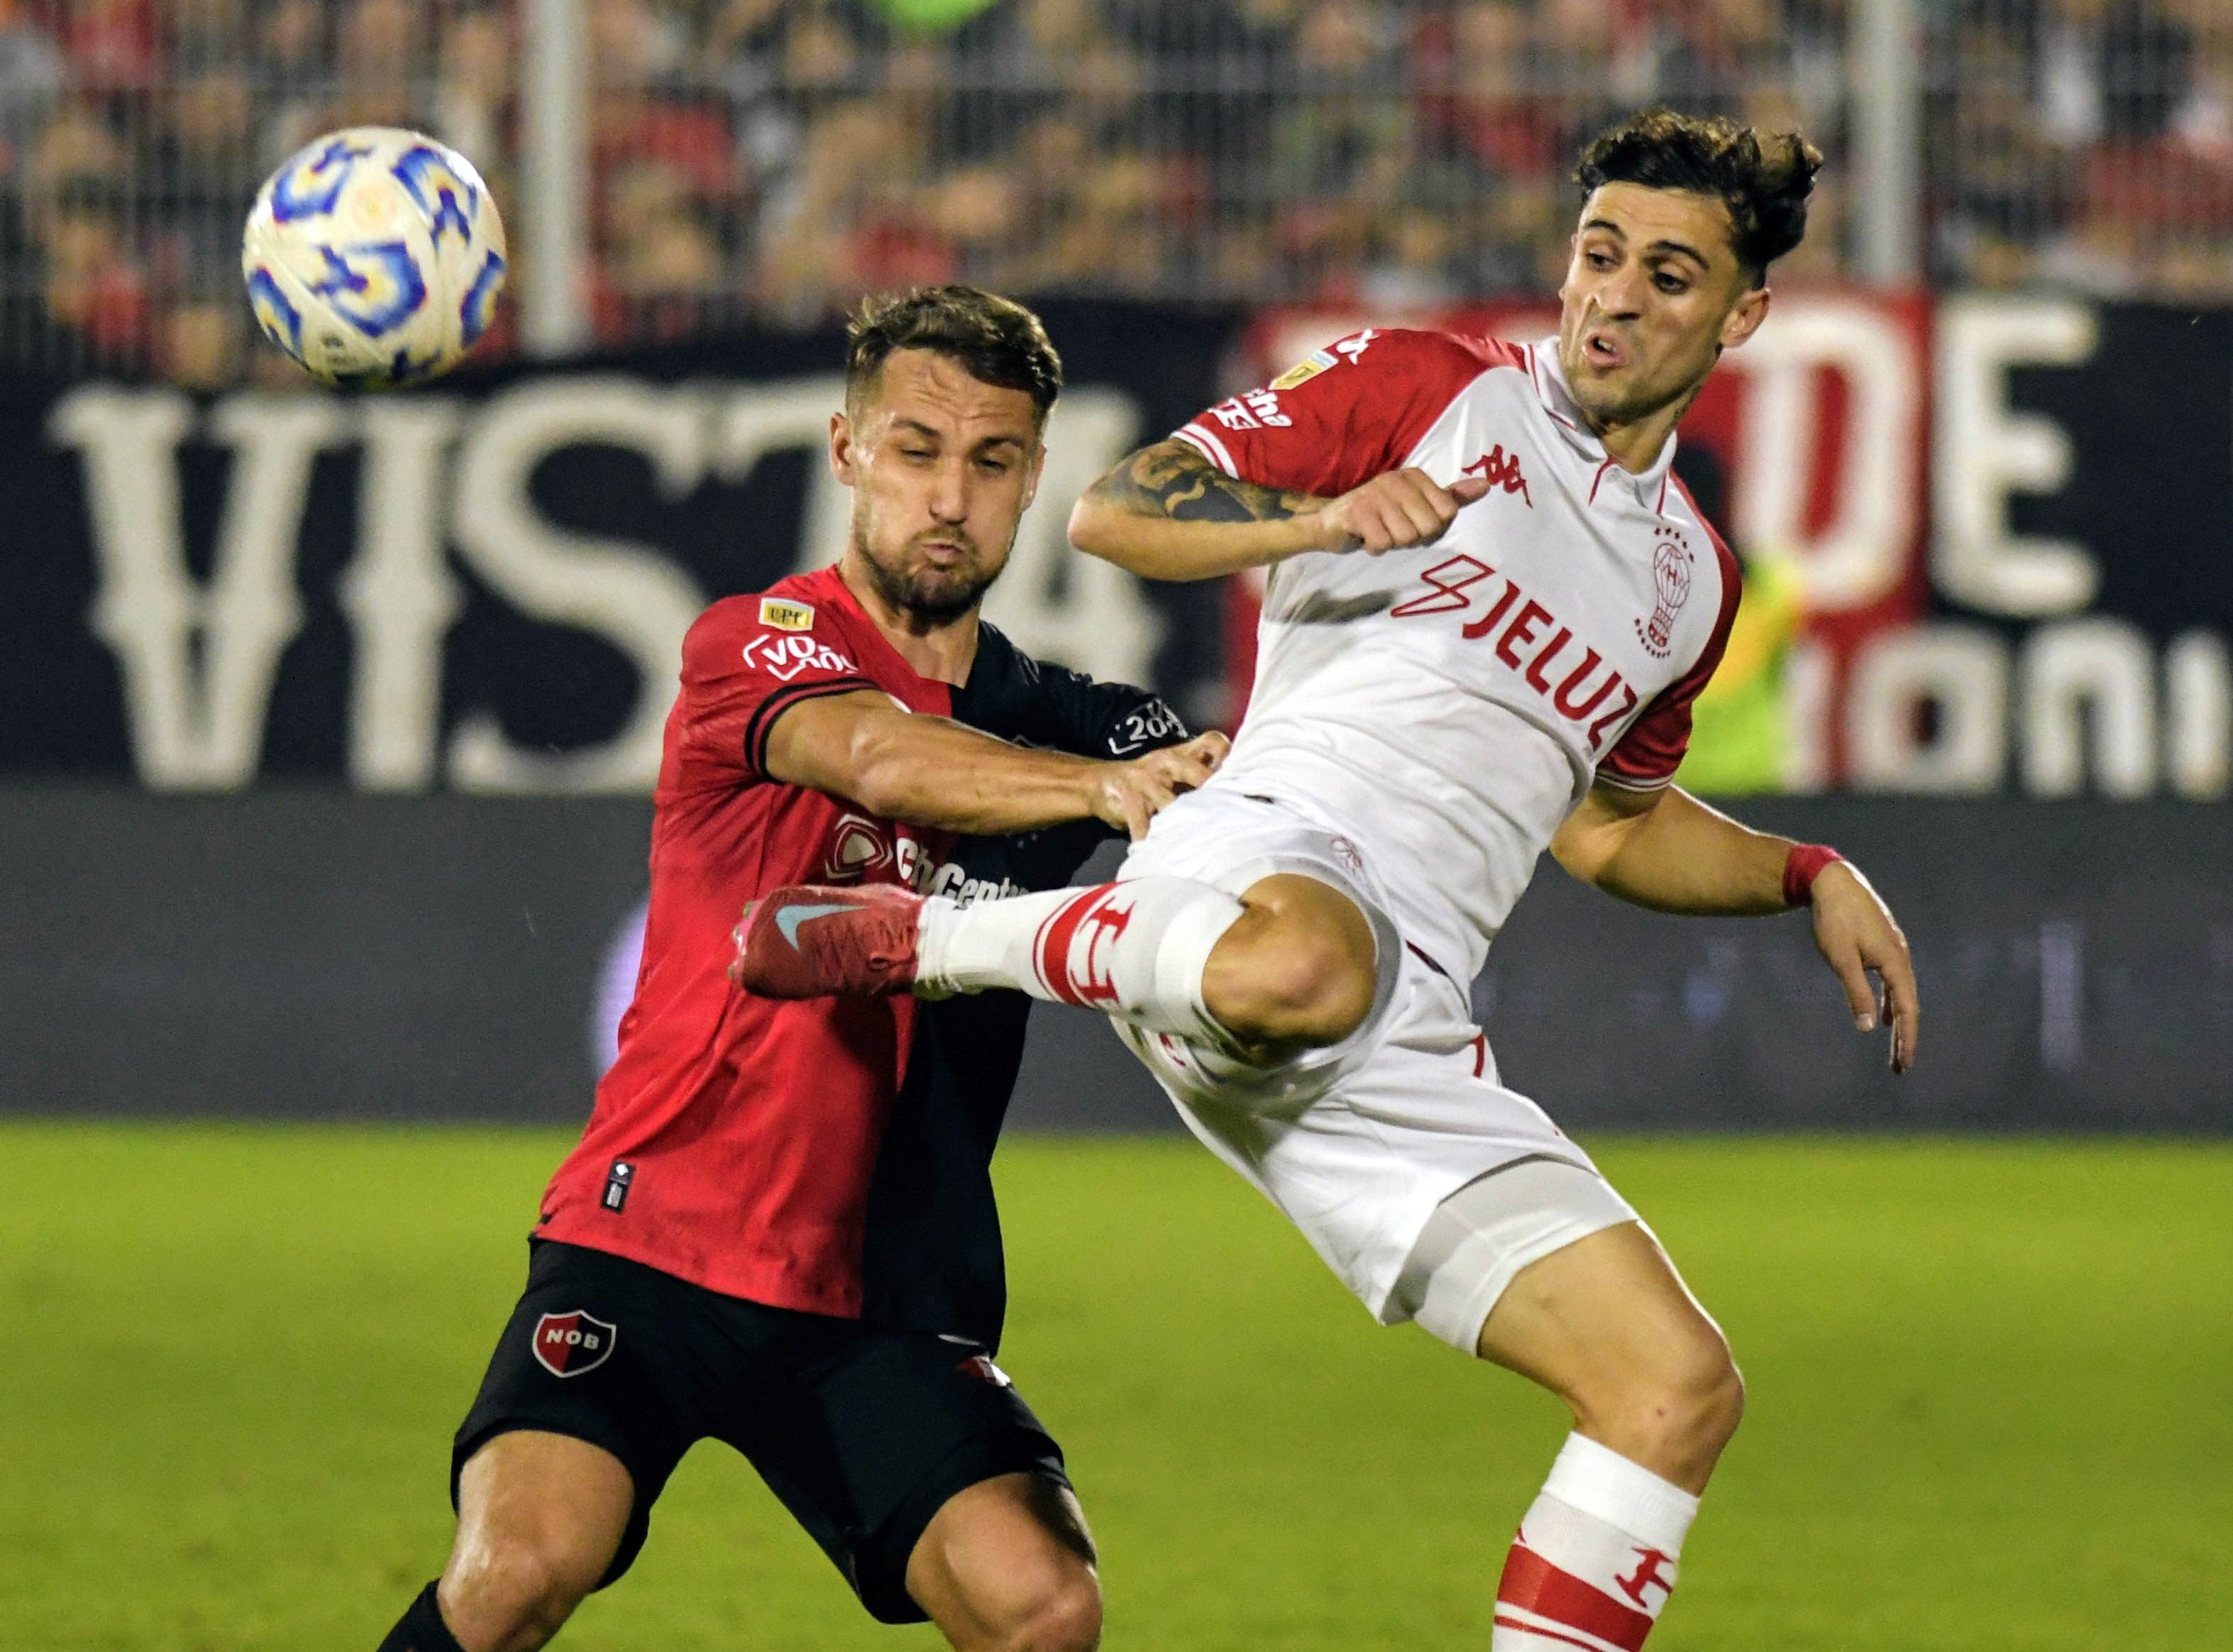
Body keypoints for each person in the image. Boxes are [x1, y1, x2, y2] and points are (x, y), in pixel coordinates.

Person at [736, 111, 1921, 1652]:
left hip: (1398, 1021)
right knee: (1304, 962)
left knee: (1673, 1387)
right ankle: (929, 935)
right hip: (1253, 878)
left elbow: (1610, 829)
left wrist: (1803, 870)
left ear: (1740, 315)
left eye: (1668, 276)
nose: (1612, 299)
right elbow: (1115, 511)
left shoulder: (1685, 583)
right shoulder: (1424, 389)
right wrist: (1315, 518)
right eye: (1596, 256)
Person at [375, 285, 1225, 1652]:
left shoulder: (1069, 719)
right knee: (527, 1563)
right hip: (655, 1241)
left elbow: (1221, 803)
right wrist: (1109, 789)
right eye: (915, 451)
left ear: (1031, 480)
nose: (950, 497)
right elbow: (881, 756)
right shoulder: (756, 645)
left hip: (880, 1293)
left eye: (991, 461)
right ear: (846, 454)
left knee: (1042, 1606)